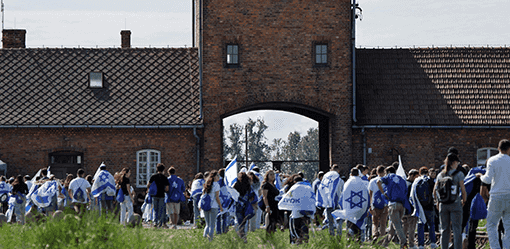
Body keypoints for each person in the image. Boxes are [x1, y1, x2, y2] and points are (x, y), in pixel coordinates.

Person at [477, 139, 510, 249]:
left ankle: (495, 247)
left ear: (498, 148)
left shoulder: (492, 160)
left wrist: (480, 176)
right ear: (509, 149)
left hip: (496, 195)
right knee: (508, 226)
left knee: (491, 225)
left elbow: (487, 179)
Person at [433, 153, 466, 249]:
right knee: (457, 229)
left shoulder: (440, 175)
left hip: (443, 205)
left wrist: (437, 202)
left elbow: (435, 191)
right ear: (454, 162)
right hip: (455, 203)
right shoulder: (459, 174)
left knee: (444, 229)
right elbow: (463, 190)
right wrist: (463, 201)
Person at [377, 166, 408, 248]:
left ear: (387, 172)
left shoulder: (388, 177)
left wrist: (383, 193)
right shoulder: (401, 179)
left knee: (397, 225)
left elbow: (378, 182)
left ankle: (403, 242)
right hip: (402, 204)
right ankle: (384, 244)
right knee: (392, 227)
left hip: (393, 204)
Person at [316, 164, 345, 237]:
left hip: (329, 204)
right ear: (338, 171)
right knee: (339, 220)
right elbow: (343, 192)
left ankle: (332, 236)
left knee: (330, 222)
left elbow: (322, 189)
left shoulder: (326, 180)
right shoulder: (341, 181)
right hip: (337, 203)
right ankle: (339, 235)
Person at [413, 167, 438, 249]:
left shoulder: (417, 181)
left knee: (420, 225)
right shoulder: (430, 181)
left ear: (420, 173)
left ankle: (420, 244)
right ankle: (433, 243)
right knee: (431, 225)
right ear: (428, 173)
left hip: (420, 207)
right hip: (430, 206)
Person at [233, 172, 256, 242]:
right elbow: (252, 196)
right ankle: (244, 237)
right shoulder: (248, 186)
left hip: (238, 206)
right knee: (244, 222)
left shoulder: (235, 185)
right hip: (246, 206)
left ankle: (240, 237)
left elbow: (233, 195)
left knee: (239, 222)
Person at [201, 170, 223, 241]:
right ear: (214, 177)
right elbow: (217, 197)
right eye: (217, 175)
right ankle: (210, 239)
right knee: (212, 225)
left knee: (207, 224)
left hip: (206, 206)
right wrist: (220, 206)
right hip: (214, 206)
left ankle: (204, 238)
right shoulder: (216, 185)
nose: (218, 177)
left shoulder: (207, 183)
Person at [368, 165, 388, 242]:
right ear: (384, 172)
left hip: (375, 204)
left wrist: (370, 206)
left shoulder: (372, 181)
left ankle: (375, 235)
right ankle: (382, 237)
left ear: (376, 172)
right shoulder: (386, 181)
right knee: (383, 222)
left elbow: (370, 194)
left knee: (375, 223)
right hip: (384, 204)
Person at [147, 163, 170, 228]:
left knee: (155, 210)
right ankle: (162, 223)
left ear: (157, 169)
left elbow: (148, 185)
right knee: (161, 210)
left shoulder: (153, 176)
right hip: (161, 195)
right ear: (163, 170)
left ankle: (155, 223)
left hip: (154, 195)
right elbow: (167, 188)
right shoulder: (164, 178)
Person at [261, 169, 280, 234]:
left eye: (273, 174)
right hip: (270, 205)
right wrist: (267, 206)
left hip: (275, 205)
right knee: (270, 221)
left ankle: (273, 234)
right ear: (267, 176)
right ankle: (268, 235)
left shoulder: (274, 185)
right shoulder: (266, 185)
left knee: (274, 221)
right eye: (271, 174)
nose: (272, 176)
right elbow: (264, 196)